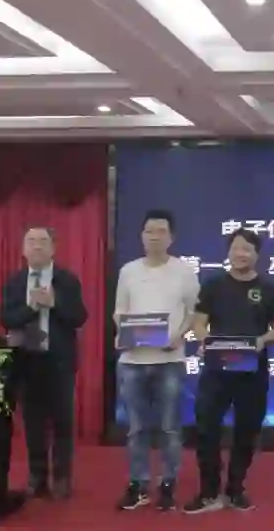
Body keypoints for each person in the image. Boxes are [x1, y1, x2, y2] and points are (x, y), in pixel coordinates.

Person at [183, 229, 274, 514]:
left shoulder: (268, 289)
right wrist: (206, 340)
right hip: (217, 369)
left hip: (253, 371)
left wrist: (264, 340)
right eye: (236, 248)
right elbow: (199, 322)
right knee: (206, 428)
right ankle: (208, 491)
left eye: (247, 249)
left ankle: (236, 489)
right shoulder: (214, 285)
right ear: (228, 252)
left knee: (247, 430)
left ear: (257, 255)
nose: (241, 254)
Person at [113, 210, 200, 511]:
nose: (154, 237)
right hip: (132, 360)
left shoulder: (184, 272)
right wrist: (122, 332)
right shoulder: (128, 271)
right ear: (141, 236)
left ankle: (168, 483)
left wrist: (180, 336)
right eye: (149, 231)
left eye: (161, 231)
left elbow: (194, 312)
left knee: (169, 428)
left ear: (171, 237)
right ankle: (138, 484)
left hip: (169, 360)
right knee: (136, 428)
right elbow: (120, 310)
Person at [0, 226, 88, 499]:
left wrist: (54, 302)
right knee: (33, 422)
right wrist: (32, 308)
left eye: (42, 241)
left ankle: (62, 477)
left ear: (52, 248)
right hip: (26, 360)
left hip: (58, 360)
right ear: (23, 249)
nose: (37, 246)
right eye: (31, 241)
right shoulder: (15, 281)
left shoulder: (66, 280)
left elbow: (79, 317)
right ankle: (37, 476)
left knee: (62, 421)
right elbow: (6, 318)